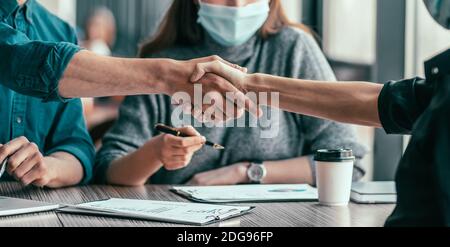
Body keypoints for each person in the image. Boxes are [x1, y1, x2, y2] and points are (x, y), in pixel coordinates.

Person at [191, 0, 450, 227]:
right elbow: (383, 101)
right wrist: (248, 83)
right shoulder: (442, 86)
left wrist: (248, 171)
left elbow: (351, 152)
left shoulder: (294, 45)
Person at [94, 0, 366, 187]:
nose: (236, 4)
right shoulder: (164, 64)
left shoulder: (294, 49)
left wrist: (246, 172)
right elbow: (109, 169)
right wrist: (156, 152)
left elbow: (348, 162)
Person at [0, 0, 260, 123]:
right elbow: (21, 58)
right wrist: (168, 76)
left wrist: (51, 166)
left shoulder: (60, 30)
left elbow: (75, 147)